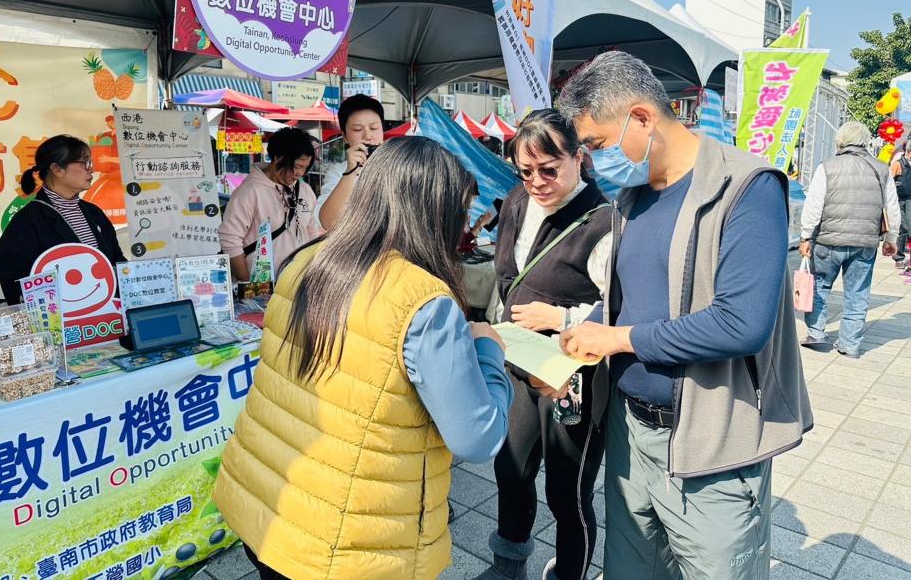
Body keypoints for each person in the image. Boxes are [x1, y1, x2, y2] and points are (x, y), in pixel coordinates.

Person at [554, 51, 812, 580]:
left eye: (597, 144)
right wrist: (581, 339)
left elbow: (741, 323)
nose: (595, 161)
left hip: (710, 447)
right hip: (632, 433)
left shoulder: (746, 188)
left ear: (641, 118)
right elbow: (627, 299)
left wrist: (619, 339)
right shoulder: (631, 198)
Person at [213, 137, 514, 580]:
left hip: (268, 510)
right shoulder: (424, 303)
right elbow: (478, 437)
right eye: (461, 211)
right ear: (436, 212)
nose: (464, 224)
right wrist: (488, 353)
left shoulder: (305, 260)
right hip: (345, 542)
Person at [476, 109, 611, 580]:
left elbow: (621, 306)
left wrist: (562, 318)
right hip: (517, 362)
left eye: (549, 170)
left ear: (579, 157)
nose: (536, 182)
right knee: (510, 470)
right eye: (525, 171)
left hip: (572, 376)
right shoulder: (517, 202)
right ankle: (507, 566)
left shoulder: (603, 222)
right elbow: (505, 277)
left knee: (566, 492)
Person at [799, 122, 901, 357]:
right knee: (857, 292)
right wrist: (891, 238)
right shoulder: (881, 169)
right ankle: (850, 344)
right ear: (866, 142)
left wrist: (805, 235)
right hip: (865, 243)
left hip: (828, 241)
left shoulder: (827, 167)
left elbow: (814, 204)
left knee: (820, 286)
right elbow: (892, 207)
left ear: (841, 141)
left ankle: (816, 332)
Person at [0, 135, 125, 304]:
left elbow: (117, 261)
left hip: (109, 312)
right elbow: (15, 282)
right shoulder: (26, 222)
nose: (91, 169)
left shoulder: (94, 213)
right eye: (85, 163)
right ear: (57, 169)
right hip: (63, 317)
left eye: (91, 163)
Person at [219, 127, 322, 282]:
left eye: (305, 168)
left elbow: (311, 232)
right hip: (261, 285)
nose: (300, 173)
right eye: (297, 166)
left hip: (296, 282)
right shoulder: (249, 192)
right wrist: (247, 284)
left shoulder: (305, 190)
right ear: (278, 158)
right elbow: (230, 239)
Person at [317, 95, 384, 229]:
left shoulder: (399, 165)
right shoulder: (339, 172)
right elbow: (328, 223)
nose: (367, 136)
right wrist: (351, 172)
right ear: (345, 137)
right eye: (357, 129)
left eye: (374, 128)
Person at [889, 139, 910, 269]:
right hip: (900, 201)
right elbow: (888, 181)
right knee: (903, 228)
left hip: (909, 200)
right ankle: (899, 257)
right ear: (909, 151)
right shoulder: (898, 164)